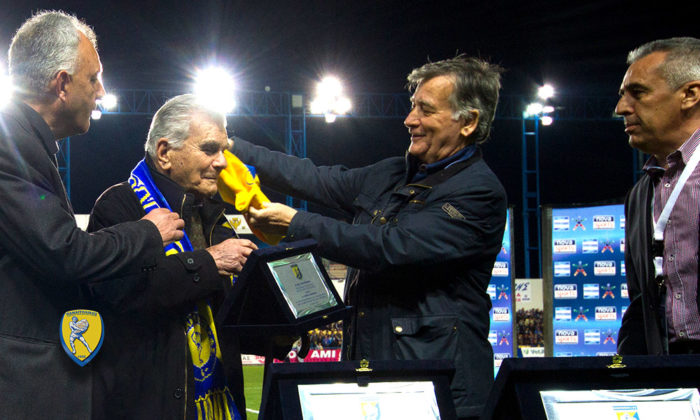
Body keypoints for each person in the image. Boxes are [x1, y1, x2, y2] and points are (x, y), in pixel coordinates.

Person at [237, 55, 507, 418]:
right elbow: (315, 178)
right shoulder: (391, 174)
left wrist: (297, 223)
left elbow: (390, 247)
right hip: (376, 380)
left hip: (439, 393)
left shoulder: (479, 192)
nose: (409, 119)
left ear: (468, 122)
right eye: (413, 106)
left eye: (426, 110)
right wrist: (230, 147)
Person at [0, 10, 184, 418]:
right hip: (22, 388)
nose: (101, 91)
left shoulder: (24, 142)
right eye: (93, 78)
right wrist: (147, 232)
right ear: (62, 84)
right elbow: (63, 251)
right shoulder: (7, 144)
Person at [87, 94, 257, 419]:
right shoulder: (119, 206)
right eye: (210, 149)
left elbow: (230, 325)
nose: (222, 162)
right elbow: (124, 293)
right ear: (165, 153)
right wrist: (210, 262)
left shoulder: (215, 219)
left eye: (224, 150)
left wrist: (279, 328)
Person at [616, 37, 700, 355]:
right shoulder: (641, 194)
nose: (621, 108)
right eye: (622, 95)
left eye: (638, 93)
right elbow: (641, 303)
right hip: (670, 371)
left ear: (690, 95)